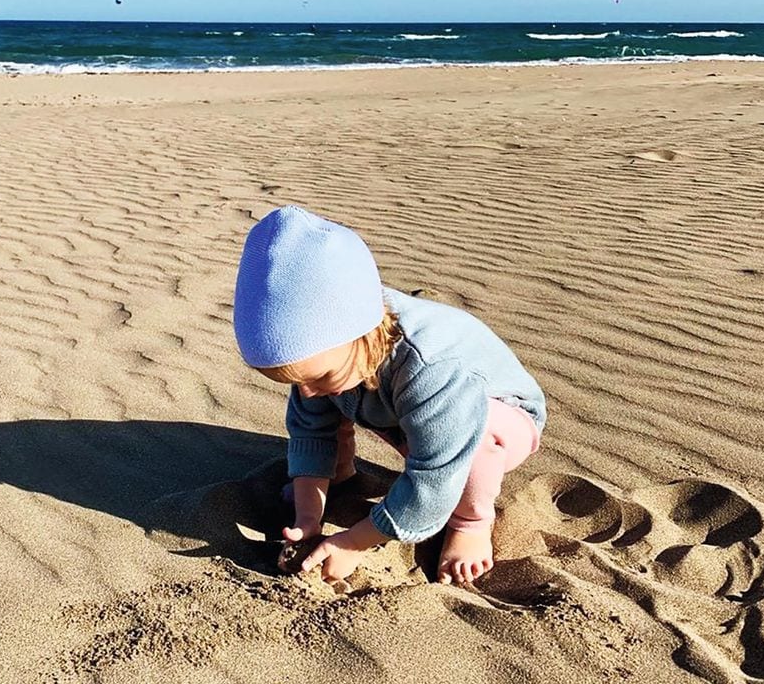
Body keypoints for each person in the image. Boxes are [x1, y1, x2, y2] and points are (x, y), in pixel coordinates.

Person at [233, 205, 546, 587]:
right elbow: (310, 432)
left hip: (496, 415)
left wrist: (353, 541)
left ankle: (472, 522)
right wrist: (307, 518)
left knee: (473, 449)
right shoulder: (331, 355)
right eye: (295, 382)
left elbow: (434, 475)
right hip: (395, 410)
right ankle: (341, 472)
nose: (305, 391)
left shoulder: (432, 367)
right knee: (328, 403)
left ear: (361, 333)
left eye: (317, 376)